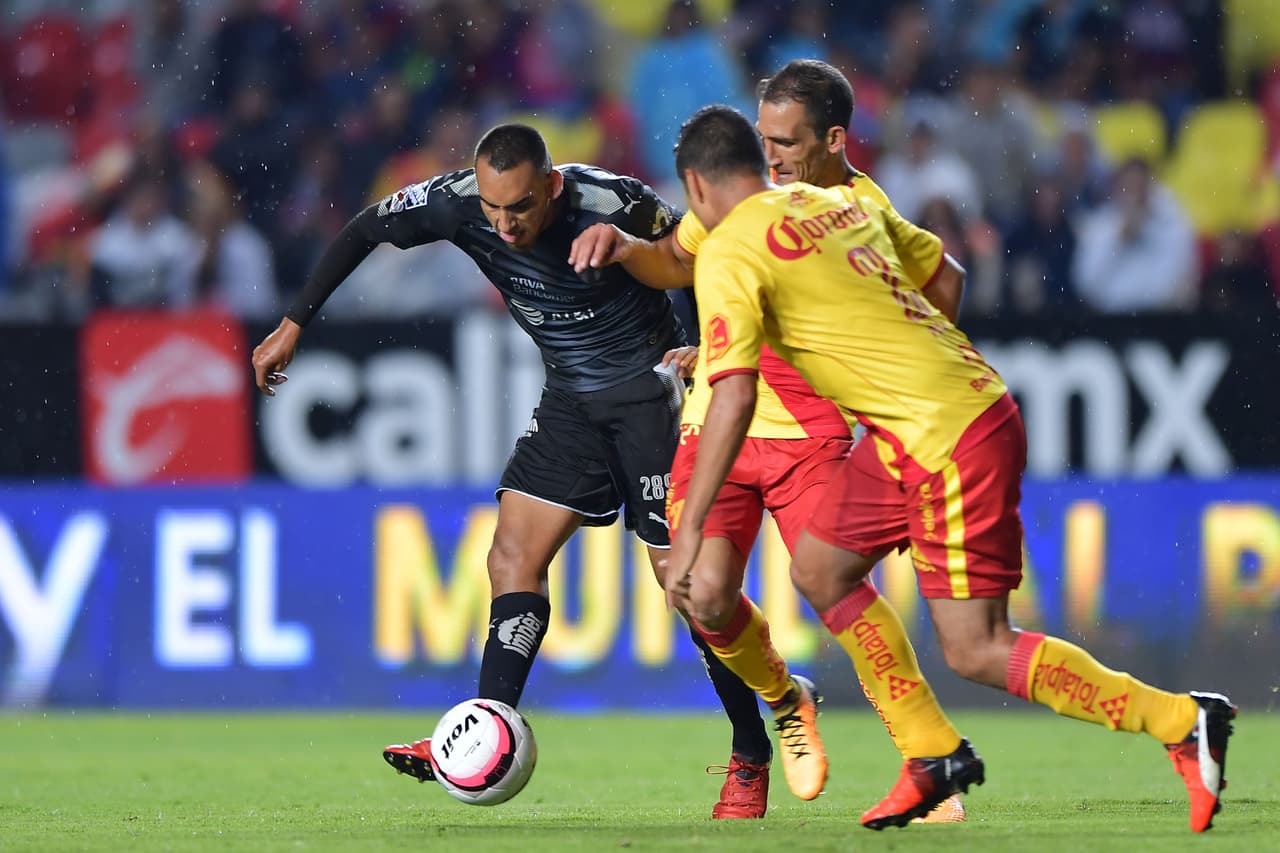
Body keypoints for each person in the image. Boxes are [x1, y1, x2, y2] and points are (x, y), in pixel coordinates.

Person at [666, 102, 1237, 834]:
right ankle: (932, 756)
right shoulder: (837, 200)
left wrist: (687, 537)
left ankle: (1182, 719)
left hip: (946, 435)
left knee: (975, 645)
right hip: (920, 419)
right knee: (819, 566)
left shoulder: (726, 250)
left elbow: (733, 392)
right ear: (759, 160)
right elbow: (946, 272)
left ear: (694, 186)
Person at [250, 123, 787, 818]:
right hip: (571, 399)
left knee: (684, 584)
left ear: (551, 186)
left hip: (654, 398)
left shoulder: (613, 202)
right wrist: (296, 322)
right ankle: (487, 726)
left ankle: (751, 752)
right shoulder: (457, 201)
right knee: (511, 556)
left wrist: (701, 347)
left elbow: (703, 255)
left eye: (522, 208)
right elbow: (366, 227)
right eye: (495, 209)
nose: (505, 225)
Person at [569, 59, 968, 826]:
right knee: (701, 592)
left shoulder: (856, 207)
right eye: (765, 138)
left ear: (832, 140)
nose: (773, 154)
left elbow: (910, 317)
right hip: (717, 423)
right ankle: (787, 698)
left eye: (786, 141)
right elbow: (681, 261)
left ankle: (926, 755)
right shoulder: (738, 199)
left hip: (808, 433)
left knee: (838, 592)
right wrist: (628, 248)